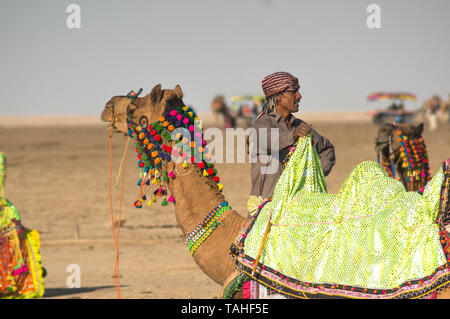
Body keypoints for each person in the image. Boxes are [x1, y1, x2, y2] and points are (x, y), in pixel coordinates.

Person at [248, 72, 335, 216]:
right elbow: (266, 140)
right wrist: (292, 136)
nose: (299, 96)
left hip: (298, 209)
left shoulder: (300, 126)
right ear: (278, 96)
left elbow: (327, 149)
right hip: (266, 209)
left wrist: (314, 173)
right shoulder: (262, 123)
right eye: (293, 91)